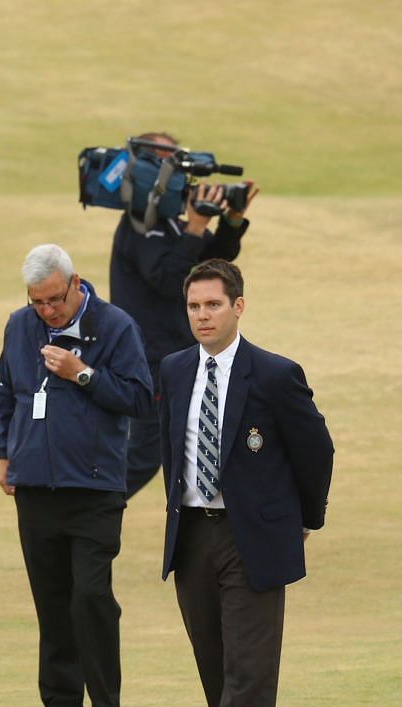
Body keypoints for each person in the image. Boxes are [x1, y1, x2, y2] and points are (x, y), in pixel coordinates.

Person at [159, 260, 331, 707]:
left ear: (238, 306)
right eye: (193, 306)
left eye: (212, 305)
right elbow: (171, 450)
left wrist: (305, 518)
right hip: (192, 534)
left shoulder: (276, 374)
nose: (202, 316)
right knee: (214, 659)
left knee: (249, 665)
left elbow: (315, 450)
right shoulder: (175, 369)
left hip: (252, 537)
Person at [0, 245, 152, 707]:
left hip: (95, 485)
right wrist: (5, 451)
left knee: (92, 596)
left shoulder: (115, 326)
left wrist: (82, 374)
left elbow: (139, 397)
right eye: (37, 302)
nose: (47, 311)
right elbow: (6, 392)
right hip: (35, 485)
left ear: (75, 283)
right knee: (52, 599)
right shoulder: (19, 326)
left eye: (55, 300)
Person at [108, 131, 256, 497]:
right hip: (150, 360)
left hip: (179, 356)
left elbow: (212, 264)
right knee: (144, 451)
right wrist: (194, 226)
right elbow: (169, 279)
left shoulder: (170, 220)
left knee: (195, 442)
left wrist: (232, 221)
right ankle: (90, 510)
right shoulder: (141, 225)